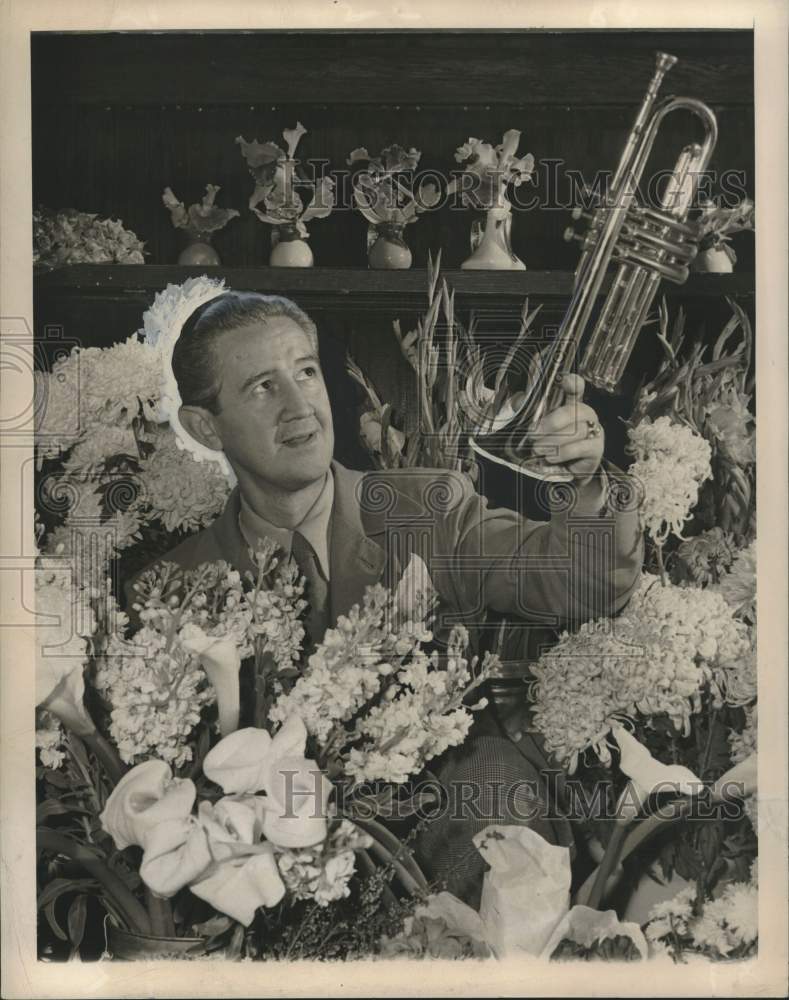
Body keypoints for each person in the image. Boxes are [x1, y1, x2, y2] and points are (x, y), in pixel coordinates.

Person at [130, 288, 644, 906]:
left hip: (459, 842)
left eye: (306, 373)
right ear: (205, 427)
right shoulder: (169, 594)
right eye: (263, 387)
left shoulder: (427, 512)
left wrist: (588, 481)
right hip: (283, 887)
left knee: (489, 778)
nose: (301, 408)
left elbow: (583, 581)